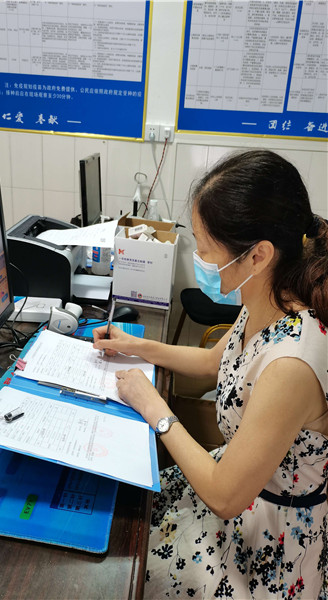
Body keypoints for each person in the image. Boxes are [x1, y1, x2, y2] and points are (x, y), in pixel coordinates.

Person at [93, 149, 328, 599]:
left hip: (268, 544)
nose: (198, 256)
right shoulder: (268, 300)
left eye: (204, 247)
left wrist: (155, 408)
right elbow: (213, 362)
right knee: (127, 513)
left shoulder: (293, 364)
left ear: (258, 255)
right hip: (234, 493)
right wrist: (134, 345)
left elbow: (225, 496)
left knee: (124, 569)